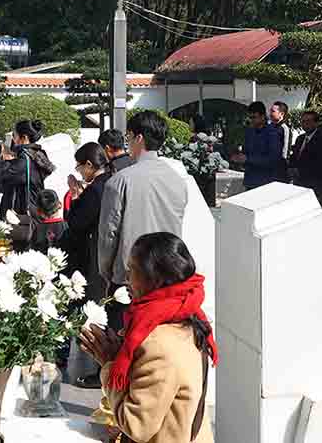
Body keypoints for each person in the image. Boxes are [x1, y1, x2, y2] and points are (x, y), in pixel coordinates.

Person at [80, 233, 217, 443]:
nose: (126, 278)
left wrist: (109, 365)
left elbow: (137, 426)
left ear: (155, 279)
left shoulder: (159, 344)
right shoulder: (188, 316)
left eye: (132, 270)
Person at [99, 111, 188, 332]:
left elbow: (108, 235)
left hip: (130, 279)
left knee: (123, 350)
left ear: (139, 138)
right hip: (169, 276)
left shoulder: (120, 181)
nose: (127, 142)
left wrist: (107, 272)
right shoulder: (177, 179)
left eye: (129, 136)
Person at [64, 142, 112, 388]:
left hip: (92, 254)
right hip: (108, 253)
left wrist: (74, 196)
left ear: (90, 165)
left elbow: (77, 222)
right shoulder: (112, 181)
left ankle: (98, 367)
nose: (80, 171)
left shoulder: (95, 190)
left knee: (94, 309)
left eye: (81, 167)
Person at [0, 119, 55, 224]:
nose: (13, 139)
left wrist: (3, 159)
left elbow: (4, 176)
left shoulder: (24, 159)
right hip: (36, 206)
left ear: (24, 138)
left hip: (22, 210)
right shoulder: (38, 153)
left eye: (15, 135)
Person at [231, 101, 281, 190]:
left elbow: (273, 159)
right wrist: (238, 158)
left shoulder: (273, 133)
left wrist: (248, 159)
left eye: (254, 117)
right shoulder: (249, 132)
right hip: (250, 181)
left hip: (265, 182)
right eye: (250, 117)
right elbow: (246, 152)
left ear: (262, 116)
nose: (251, 120)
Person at [289, 110, 322, 204]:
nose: (305, 124)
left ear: (316, 123)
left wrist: (300, 170)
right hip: (300, 184)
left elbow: (321, 164)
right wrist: (291, 168)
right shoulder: (300, 139)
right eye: (303, 121)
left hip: (316, 186)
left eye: (308, 121)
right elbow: (295, 156)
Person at [269, 101, 292, 183]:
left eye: (273, 111)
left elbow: (285, 151)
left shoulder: (284, 129)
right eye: (270, 111)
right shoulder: (269, 127)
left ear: (281, 114)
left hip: (279, 169)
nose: (270, 113)